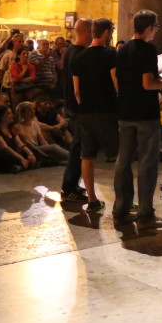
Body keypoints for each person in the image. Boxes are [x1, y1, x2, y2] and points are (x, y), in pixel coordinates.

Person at [113, 10, 162, 230]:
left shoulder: (122, 50)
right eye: (156, 27)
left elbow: (124, 79)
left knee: (123, 163)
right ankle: (145, 214)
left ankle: (121, 210)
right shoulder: (148, 49)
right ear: (149, 27)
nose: (157, 31)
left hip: (125, 112)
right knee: (148, 165)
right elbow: (148, 84)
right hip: (145, 114)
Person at [71, 18, 118, 212]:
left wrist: (85, 105)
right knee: (119, 156)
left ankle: (91, 199)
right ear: (106, 32)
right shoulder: (110, 54)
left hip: (85, 113)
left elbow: (76, 91)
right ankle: (122, 201)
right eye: (112, 32)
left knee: (87, 156)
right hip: (106, 112)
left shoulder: (78, 57)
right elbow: (116, 83)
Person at [59, 18, 91, 203]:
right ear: (86, 31)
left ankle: (72, 184)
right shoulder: (80, 54)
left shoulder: (70, 51)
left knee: (79, 147)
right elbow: (78, 87)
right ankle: (69, 186)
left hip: (71, 106)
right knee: (78, 148)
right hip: (78, 108)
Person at [0, 105, 37, 173]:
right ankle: (19, 165)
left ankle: (20, 166)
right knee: (8, 157)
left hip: (9, 152)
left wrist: (30, 154)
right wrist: (21, 159)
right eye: (9, 113)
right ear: (1, 117)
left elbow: (20, 143)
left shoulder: (11, 128)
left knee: (30, 154)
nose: (12, 115)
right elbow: (4, 147)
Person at [13, 101, 70, 166]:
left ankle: (69, 161)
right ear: (23, 113)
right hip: (29, 150)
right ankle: (73, 158)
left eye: (33, 109)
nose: (33, 111)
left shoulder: (34, 124)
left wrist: (47, 148)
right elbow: (27, 143)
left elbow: (42, 140)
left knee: (53, 151)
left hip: (38, 148)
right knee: (54, 147)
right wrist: (48, 149)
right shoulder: (17, 127)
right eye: (29, 110)